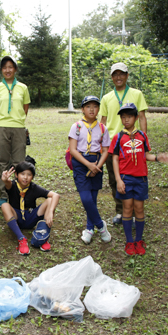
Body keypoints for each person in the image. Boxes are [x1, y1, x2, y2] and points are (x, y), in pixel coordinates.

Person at [109, 103, 168, 256]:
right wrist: (118, 180)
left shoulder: (142, 136)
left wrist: (157, 158)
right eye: (123, 117)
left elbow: (145, 155)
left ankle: (139, 240)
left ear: (135, 117)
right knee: (127, 208)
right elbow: (115, 159)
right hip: (125, 179)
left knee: (139, 209)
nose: (126, 119)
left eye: (129, 116)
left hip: (141, 179)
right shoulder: (118, 137)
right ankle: (129, 241)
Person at [100, 62, 148, 226]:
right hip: (113, 144)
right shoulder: (106, 98)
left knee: (134, 177)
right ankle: (121, 211)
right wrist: (102, 144)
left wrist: (143, 140)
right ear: (112, 77)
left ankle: (135, 212)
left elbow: (141, 117)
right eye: (115, 74)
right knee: (114, 179)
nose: (118, 77)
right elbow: (103, 122)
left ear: (127, 76)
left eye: (122, 74)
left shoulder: (137, 94)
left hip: (133, 143)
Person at [68, 95, 112, 245]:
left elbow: (106, 150)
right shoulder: (77, 126)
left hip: (97, 162)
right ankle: (101, 226)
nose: (92, 109)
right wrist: (88, 165)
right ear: (82, 109)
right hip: (81, 163)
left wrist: (97, 166)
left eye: (95, 106)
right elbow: (73, 150)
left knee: (92, 199)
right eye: (88, 106)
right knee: (85, 198)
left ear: (98, 109)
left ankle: (89, 229)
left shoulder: (102, 128)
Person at [0, 55, 31, 205]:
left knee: (19, 162)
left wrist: (17, 120)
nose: (7, 70)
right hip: (0, 128)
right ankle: (4, 195)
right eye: (4, 67)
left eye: (10, 67)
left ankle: (19, 193)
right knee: (3, 162)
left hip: (18, 128)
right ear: (1, 70)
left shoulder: (23, 88)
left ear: (15, 69)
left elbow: (25, 108)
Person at [0, 160, 60, 256]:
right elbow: (8, 184)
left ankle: (42, 236)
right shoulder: (13, 185)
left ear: (32, 177)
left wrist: (50, 212)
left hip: (31, 216)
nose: (25, 177)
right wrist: (5, 180)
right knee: (4, 205)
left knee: (50, 200)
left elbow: (56, 195)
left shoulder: (34, 187)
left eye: (29, 174)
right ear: (16, 175)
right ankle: (21, 238)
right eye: (22, 174)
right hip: (17, 217)